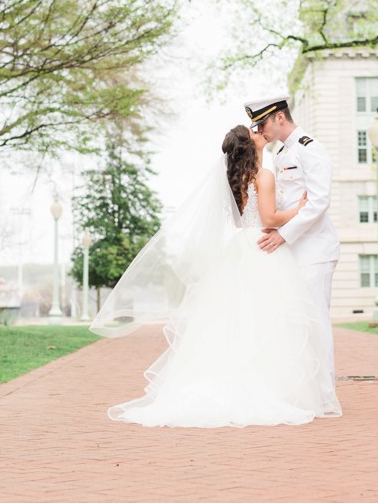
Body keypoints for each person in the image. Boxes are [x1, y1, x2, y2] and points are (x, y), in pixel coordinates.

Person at [90, 125, 342, 428]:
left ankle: (244, 380)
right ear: (251, 146)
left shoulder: (232, 179)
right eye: (255, 133)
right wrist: (299, 209)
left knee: (236, 319)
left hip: (238, 249)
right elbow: (269, 219)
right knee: (266, 319)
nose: (260, 131)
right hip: (261, 248)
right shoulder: (263, 176)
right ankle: (271, 387)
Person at [246, 95, 340, 395]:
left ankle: (324, 396)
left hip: (314, 249)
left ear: (279, 118)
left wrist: (283, 234)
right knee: (297, 323)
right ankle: (305, 392)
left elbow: (318, 203)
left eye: (262, 123)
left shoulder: (311, 149)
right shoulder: (284, 152)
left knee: (316, 324)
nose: (261, 130)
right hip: (293, 251)